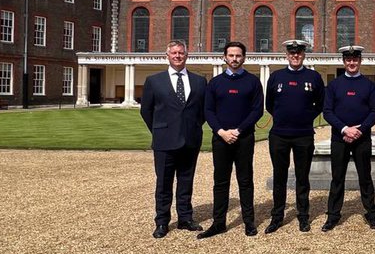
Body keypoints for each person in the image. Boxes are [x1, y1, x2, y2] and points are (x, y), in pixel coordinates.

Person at [139, 39, 207, 239]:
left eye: (181, 53)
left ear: (187, 55)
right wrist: (160, 130)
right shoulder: (154, 81)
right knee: (164, 183)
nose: (178, 56)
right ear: (167, 56)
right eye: (174, 53)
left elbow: (202, 111)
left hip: (190, 138)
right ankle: (162, 222)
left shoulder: (199, 81)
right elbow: (146, 111)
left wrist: (192, 127)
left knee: (186, 181)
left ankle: (185, 218)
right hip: (164, 140)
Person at [202, 40, 264, 238]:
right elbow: (208, 110)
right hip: (220, 138)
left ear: (244, 58)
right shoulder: (215, 82)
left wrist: (238, 130)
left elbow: (257, 110)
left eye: (238, 55)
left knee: (245, 181)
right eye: (231, 55)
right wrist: (221, 131)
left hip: (244, 138)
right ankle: (219, 223)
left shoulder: (253, 82)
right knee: (220, 182)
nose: (234, 59)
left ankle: (249, 222)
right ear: (225, 57)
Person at [264, 39, 325, 233]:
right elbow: (270, 104)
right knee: (279, 177)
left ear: (304, 54)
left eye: (298, 53)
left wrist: (306, 118)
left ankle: (303, 216)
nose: (295, 56)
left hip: (303, 135)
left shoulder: (313, 77)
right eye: (292, 53)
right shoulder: (276, 77)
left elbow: (320, 104)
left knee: (302, 177)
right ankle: (277, 216)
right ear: (287, 55)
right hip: (279, 135)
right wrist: (283, 119)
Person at [322, 45, 375, 231]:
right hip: (340, 138)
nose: (352, 63)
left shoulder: (369, 85)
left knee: (365, 177)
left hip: (361, 138)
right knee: (337, 178)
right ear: (344, 62)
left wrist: (360, 130)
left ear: (360, 61)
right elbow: (327, 111)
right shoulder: (334, 85)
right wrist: (345, 129)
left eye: (355, 59)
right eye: (348, 60)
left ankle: (371, 214)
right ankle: (333, 216)